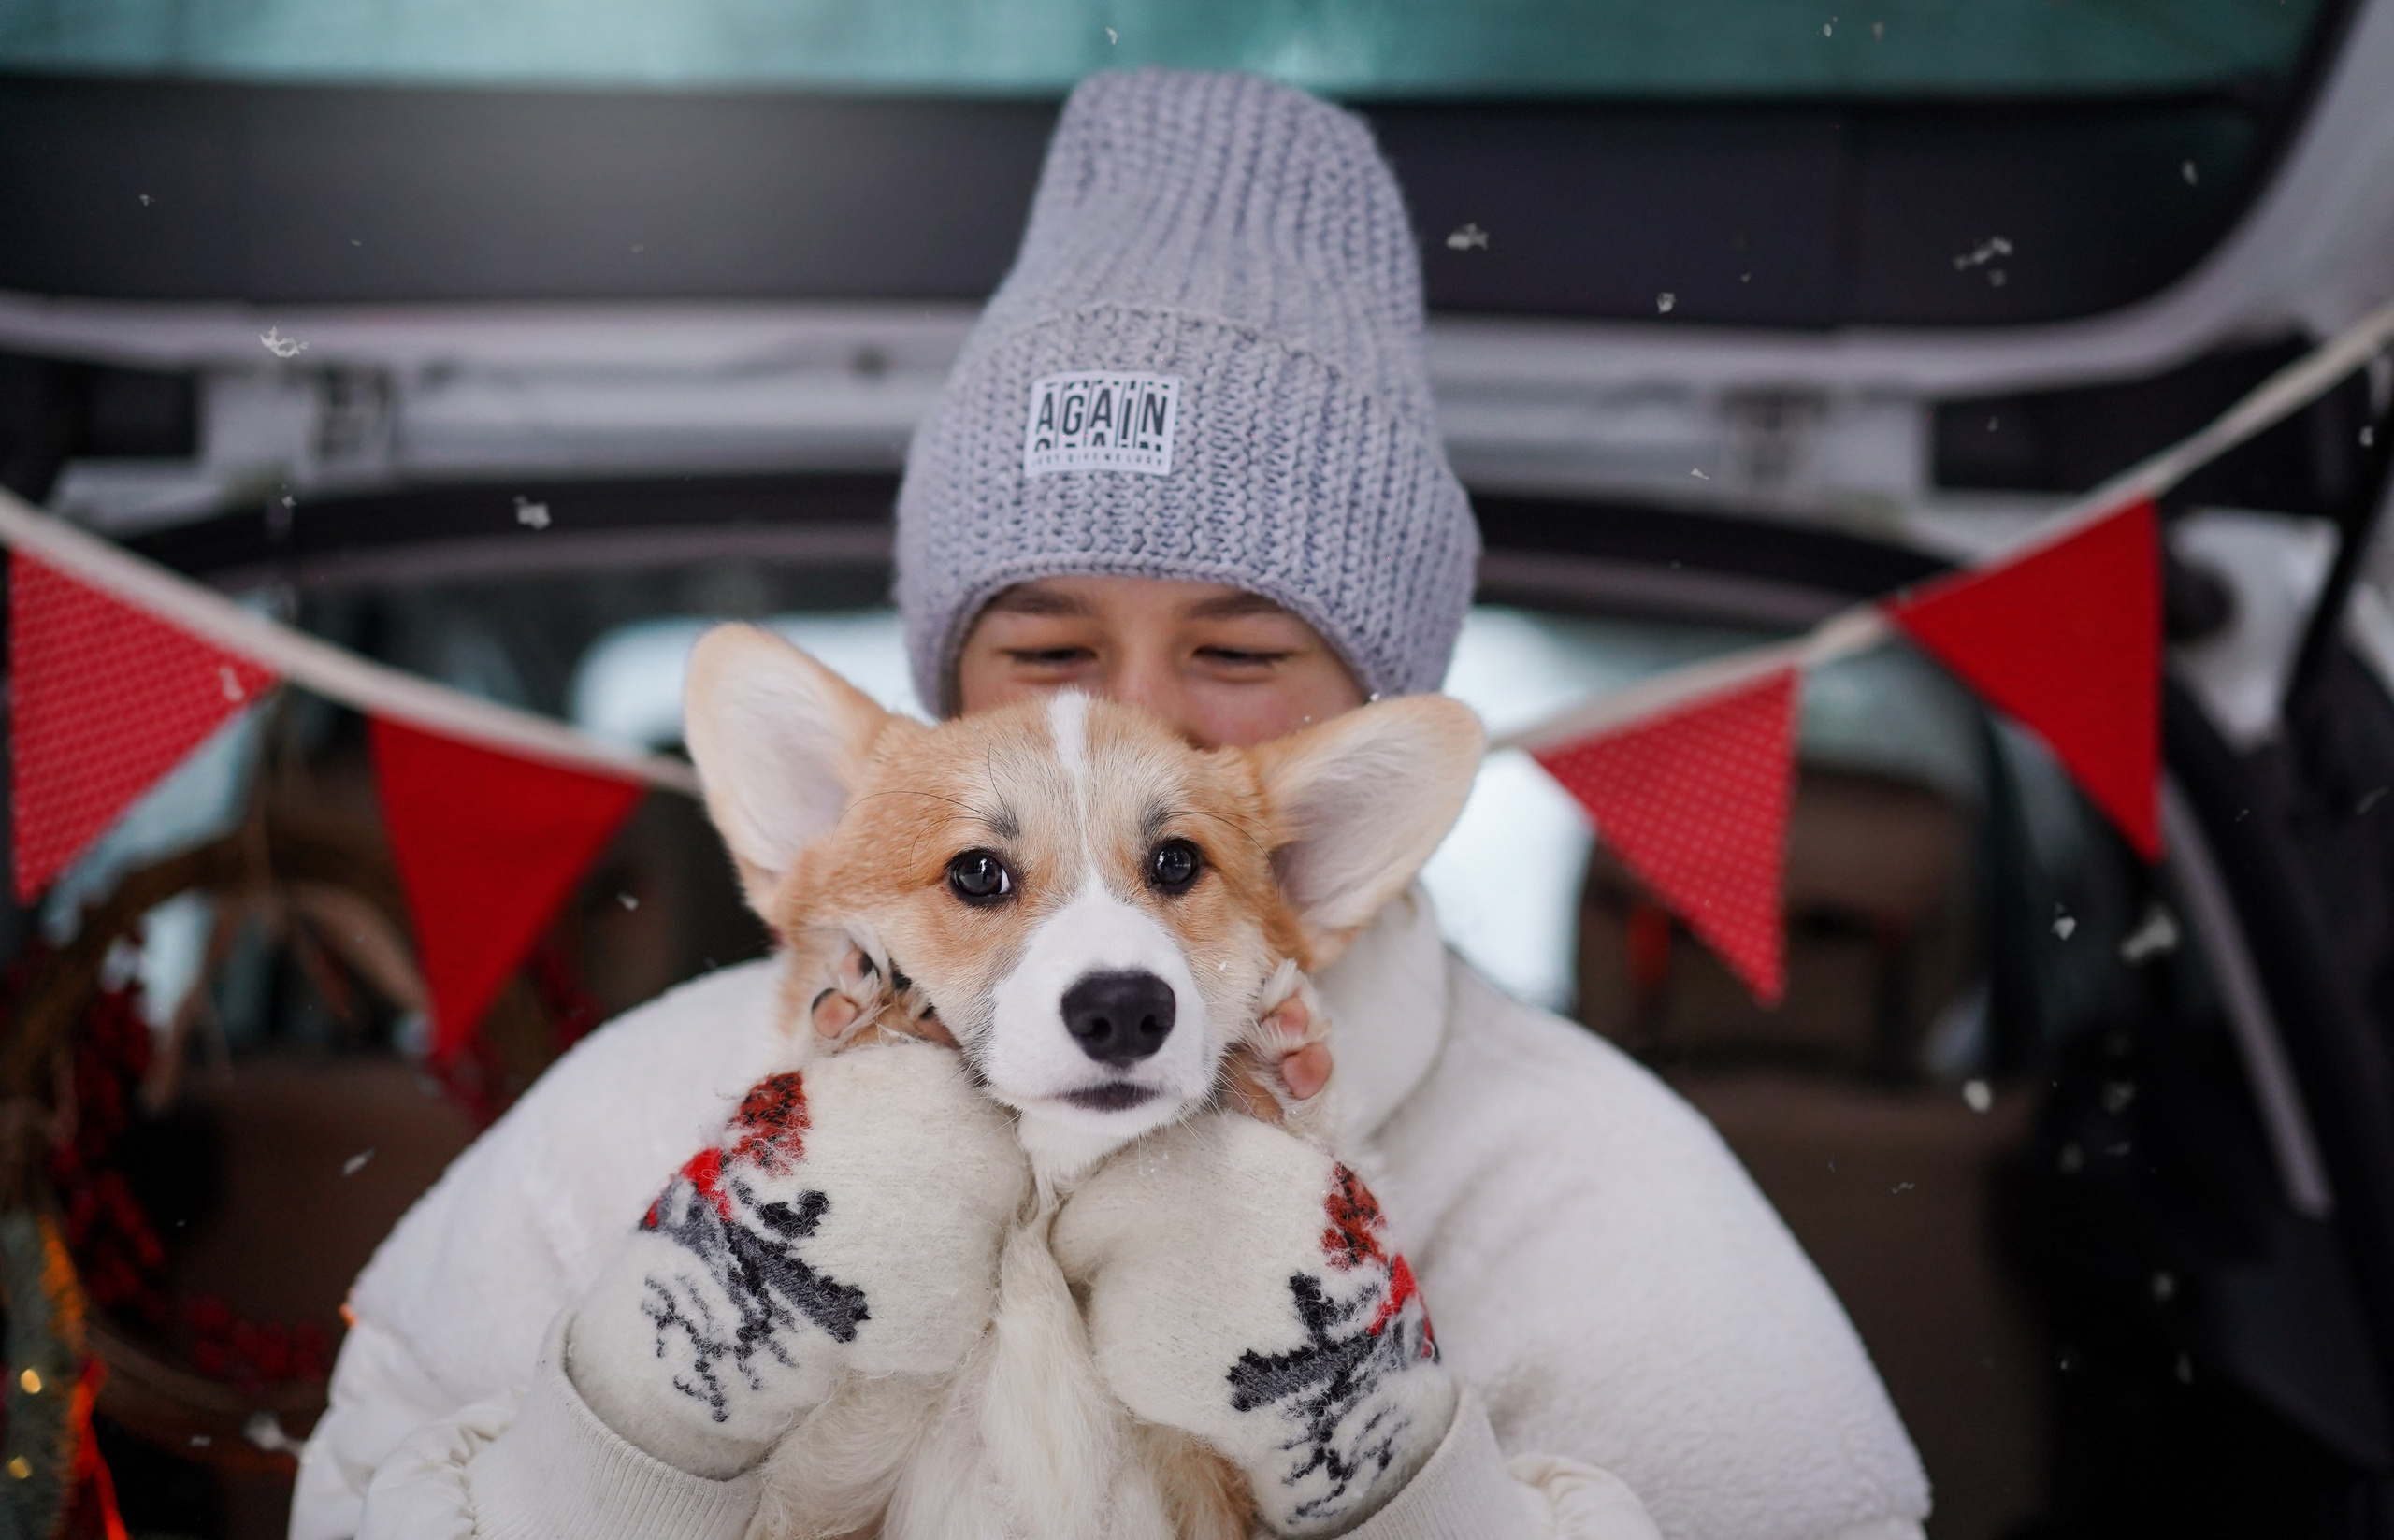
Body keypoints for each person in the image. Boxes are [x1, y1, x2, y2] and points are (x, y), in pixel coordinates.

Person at [292, 69, 1929, 1540]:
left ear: (1340, 781)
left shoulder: (1598, 1196)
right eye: (1050, 646)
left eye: (1236, 647)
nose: (1128, 715)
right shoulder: (646, 1111)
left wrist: (1400, 1476)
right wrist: (648, 1425)